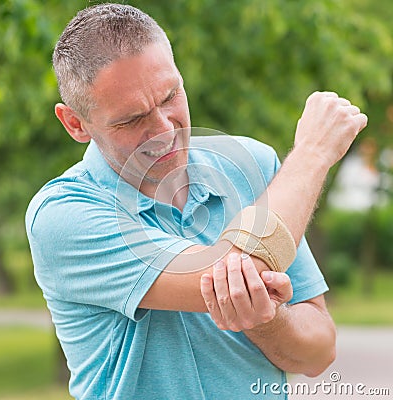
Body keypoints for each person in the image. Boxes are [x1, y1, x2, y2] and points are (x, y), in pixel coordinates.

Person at [25, 4, 367, 400]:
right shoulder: (63, 216)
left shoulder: (253, 165)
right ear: (75, 123)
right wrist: (311, 156)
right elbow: (233, 271)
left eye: (171, 95)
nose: (163, 129)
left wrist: (266, 320)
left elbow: (319, 352)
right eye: (131, 120)